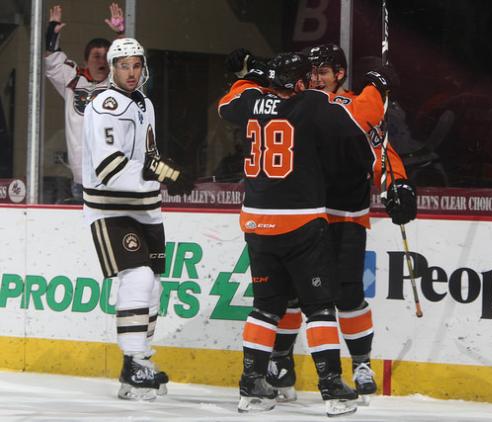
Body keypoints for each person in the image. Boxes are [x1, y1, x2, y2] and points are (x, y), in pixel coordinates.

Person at [218, 50, 390, 416]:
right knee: (318, 307)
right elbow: (365, 116)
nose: (312, 81)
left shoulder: (251, 101)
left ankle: (252, 385)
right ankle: (330, 385)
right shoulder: (310, 104)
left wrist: (253, 75)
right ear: (298, 83)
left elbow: (228, 99)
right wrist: (377, 84)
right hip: (299, 223)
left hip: (256, 222)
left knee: (265, 307)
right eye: (306, 77)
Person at [264, 44, 417, 404]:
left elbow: (382, 153)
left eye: (323, 72)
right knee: (290, 292)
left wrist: (398, 184)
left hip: (345, 215)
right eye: (311, 72)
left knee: (348, 292)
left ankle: (361, 364)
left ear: (340, 75)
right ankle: (280, 360)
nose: (315, 78)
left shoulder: (351, 109)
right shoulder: (298, 106)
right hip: (300, 215)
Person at [82, 37, 194, 401]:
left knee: (154, 287)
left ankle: (139, 364)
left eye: (136, 65)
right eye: (123, 65)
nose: (131, 72)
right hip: (110, 207)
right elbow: (109, 166)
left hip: (145, 207)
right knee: (138, 275)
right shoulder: (106, 103)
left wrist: (163, 171)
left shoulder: (144, 102)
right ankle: (133, 361)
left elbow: (146, 153)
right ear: (112, 69)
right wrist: (160, 172)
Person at [45, 3, 125, 203]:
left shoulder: (118, 85)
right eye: (96, 56)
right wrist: (51, 35)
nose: (101, 61)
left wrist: (120, 35)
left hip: (113, 180)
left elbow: (129, 64)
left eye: (106, 57)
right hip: (81, 181)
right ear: (86, 60)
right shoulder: (73, 80)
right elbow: (52, 60)